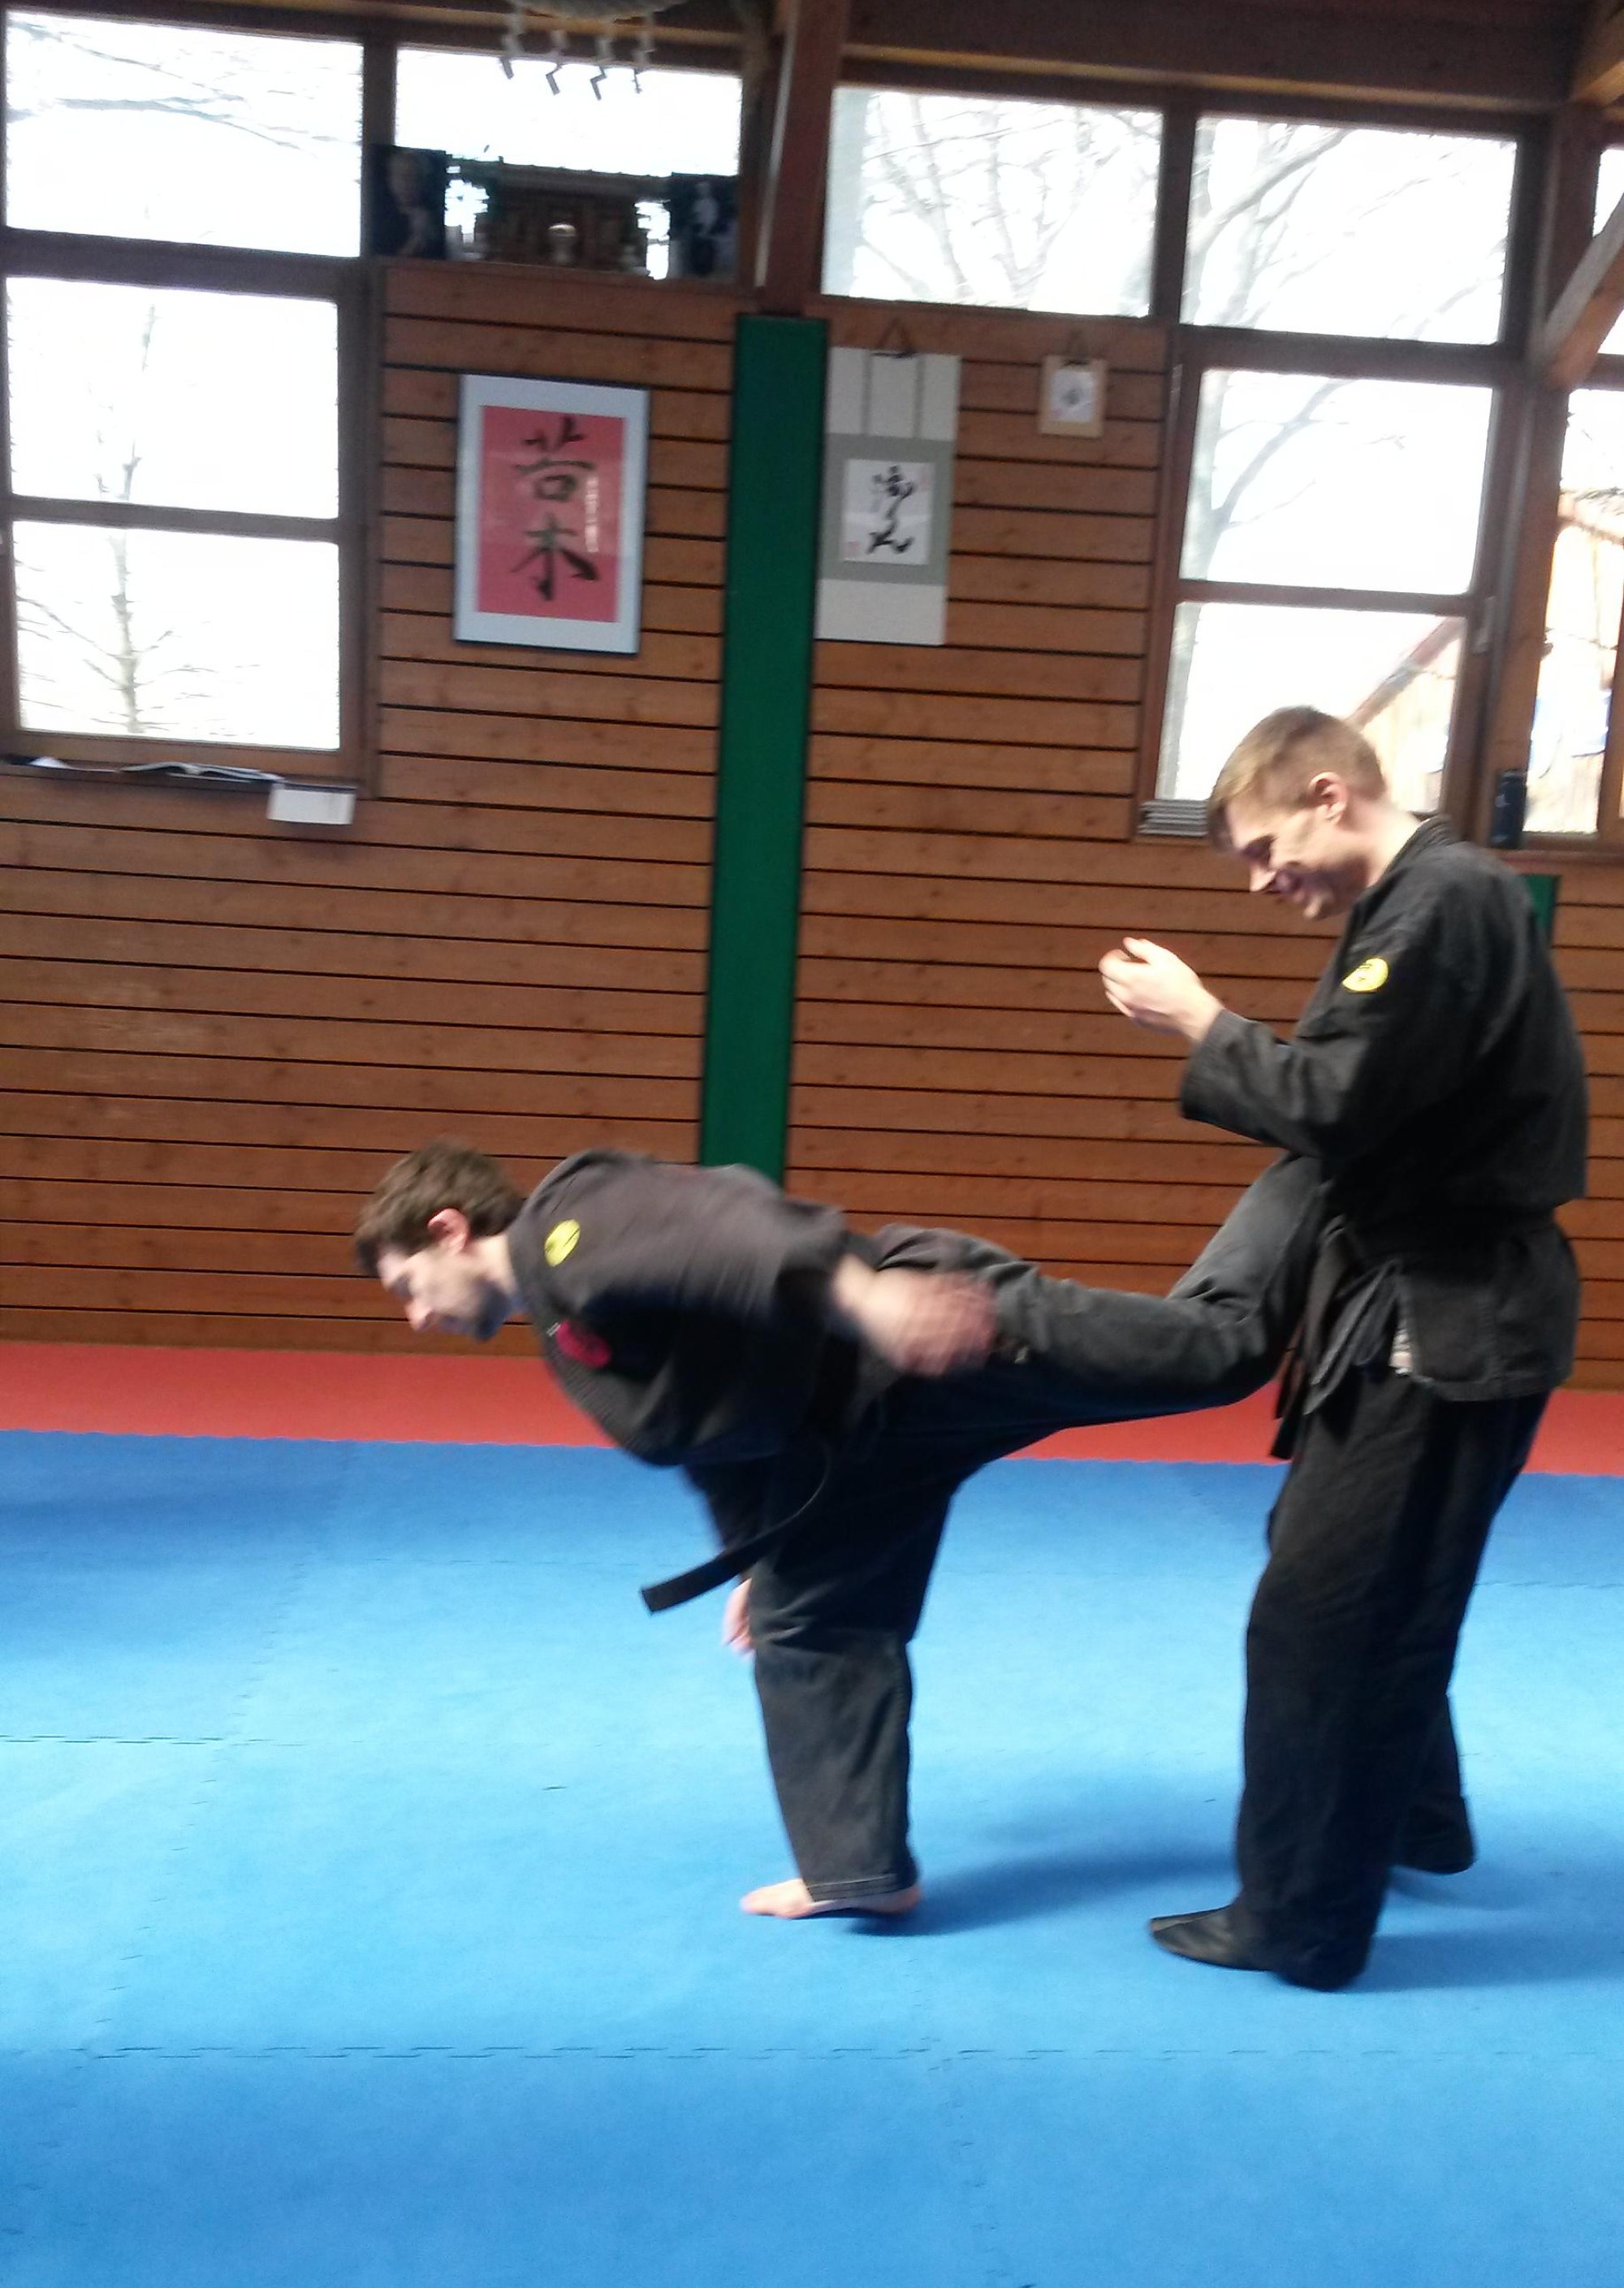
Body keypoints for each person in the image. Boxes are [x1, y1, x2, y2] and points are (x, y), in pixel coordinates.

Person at [355, 1138, 1324, 1923]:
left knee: (1216, 1352)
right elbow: (714, 1437)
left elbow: (723, 1219)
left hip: (932, 1340)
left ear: (449, 1229)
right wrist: (754, 1556)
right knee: (807, 1621)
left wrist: (867, 1298)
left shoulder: (575, 1224)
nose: (415, 1317)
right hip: (861, 1442)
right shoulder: (566, 1324)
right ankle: (860, 1874)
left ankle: (1321, 1157)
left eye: (408, 1286)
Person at [1100, 706, 1588, 1992]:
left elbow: (1333, 1100)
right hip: (1428, 1300)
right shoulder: (1420, 904)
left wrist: (1199, 1019)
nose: (1265, 883)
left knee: (1326, 1618)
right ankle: (1417, 1816)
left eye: (1267, 850)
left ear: (1329, 793)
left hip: (1452, 1313)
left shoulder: (1443, 903)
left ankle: (1302, 1919)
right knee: (1364, 1579)